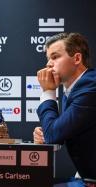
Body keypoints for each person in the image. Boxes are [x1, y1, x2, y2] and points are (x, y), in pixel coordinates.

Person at [33, 33, 96, 184]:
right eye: (48, 58)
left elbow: (54, 135)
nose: (48, 64)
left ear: (77, 59)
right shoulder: (76, 89)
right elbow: (59, 133)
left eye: (55, 57)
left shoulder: (91, 87)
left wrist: (48, 92)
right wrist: (45, 133)